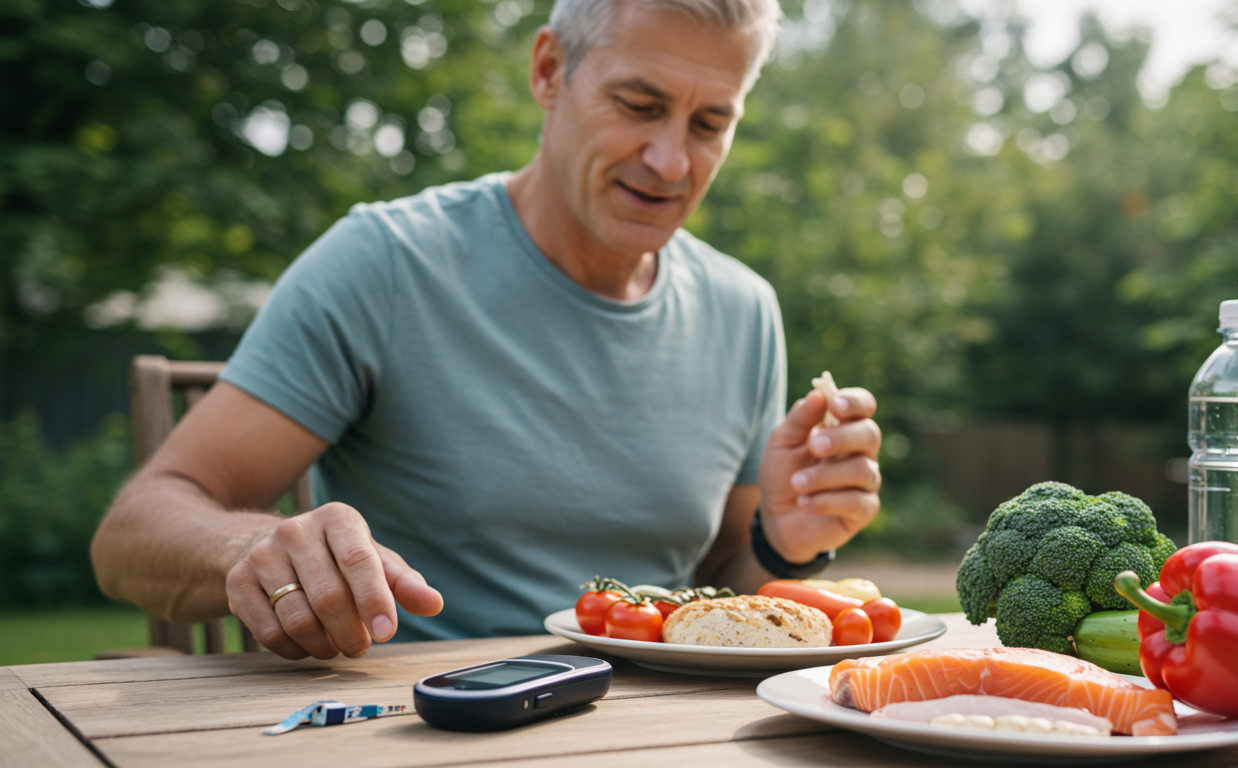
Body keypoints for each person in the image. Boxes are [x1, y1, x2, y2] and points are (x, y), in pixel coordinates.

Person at [90, 0, 883, 661]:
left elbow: (714, 591)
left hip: (654, 731)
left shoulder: (745, 310)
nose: (671, 161)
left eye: (710, 123)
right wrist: (251, 550)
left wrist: (780, 543)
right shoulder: (387, 263)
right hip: (423, 722)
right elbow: (132, 534)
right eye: (639, 106)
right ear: (549, 71)